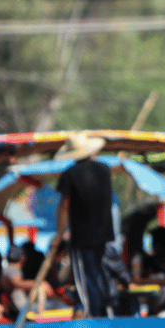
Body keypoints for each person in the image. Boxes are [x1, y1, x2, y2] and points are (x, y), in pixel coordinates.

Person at [50, 132, 114, 318]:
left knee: (84, 278)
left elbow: (64, 206)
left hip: (82, 236)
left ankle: (90, 313)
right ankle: (98, 312)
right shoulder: (105, 170)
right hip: (103, 234)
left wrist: (59, 234)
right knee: (95, 274)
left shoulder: (70, 174)